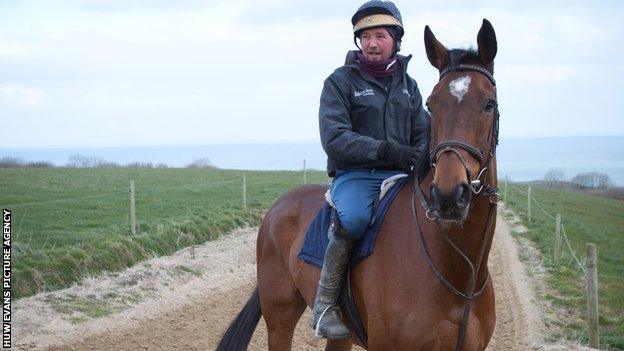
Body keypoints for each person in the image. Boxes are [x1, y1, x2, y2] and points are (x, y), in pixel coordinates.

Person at [310, 0, 431, 339]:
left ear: (396, 39)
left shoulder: (410, 86)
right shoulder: (339, 82)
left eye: (380, 35)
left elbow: (423, 131)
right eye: (364, 37)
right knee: (354, 219)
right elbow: (335, 137)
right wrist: (386, 149)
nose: (372, 43)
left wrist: (421, 154)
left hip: (402, 175)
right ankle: (325, 305)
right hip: (357, 175)